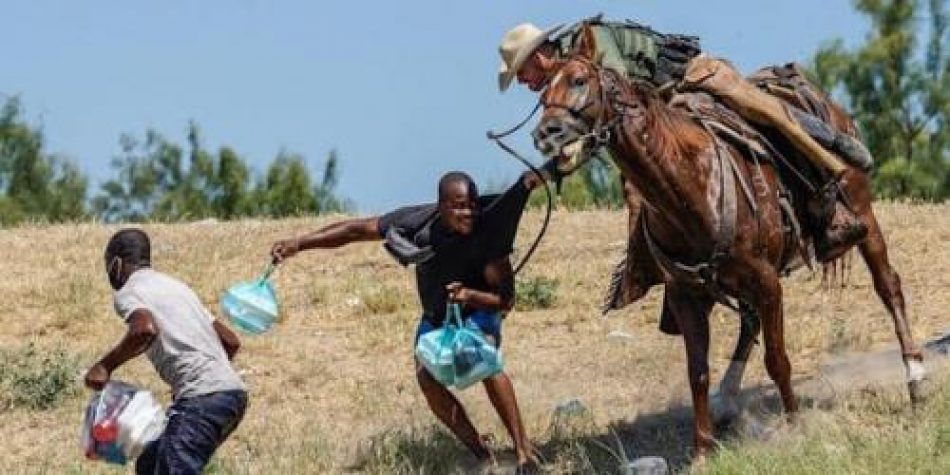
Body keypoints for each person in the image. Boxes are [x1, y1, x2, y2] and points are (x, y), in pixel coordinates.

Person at [497, 16, 873, 266]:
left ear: (540, 55)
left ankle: (832, 156)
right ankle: (652, 265)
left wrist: (570, 153)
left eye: (523, 72)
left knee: (764, 115)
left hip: (692, 78)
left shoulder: (589, 43)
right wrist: (552, 166)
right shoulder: (564, 83)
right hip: (662, 110)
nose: (525, 83)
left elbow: (620, 100)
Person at [270, 169, 548, 472]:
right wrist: (300, 243)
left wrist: (469, 295)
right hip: (437, 316)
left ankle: (524, 454)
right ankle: (481, 453)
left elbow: (506, 301)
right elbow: (355, 231)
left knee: (484, 362)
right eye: (457, 206)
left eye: (471, 205)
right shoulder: (415, 223)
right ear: (440, 206)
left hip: (480, 309)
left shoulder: (489, 237)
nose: (466, 212)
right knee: (427, 379)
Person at [85, 229, 248, 475]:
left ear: (116, 264)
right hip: (232, 395)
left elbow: (144, 330)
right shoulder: (178, 288)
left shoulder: (129, 291)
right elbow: (230, 341)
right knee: (151, 464)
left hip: (202, 398)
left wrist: (104, 366)